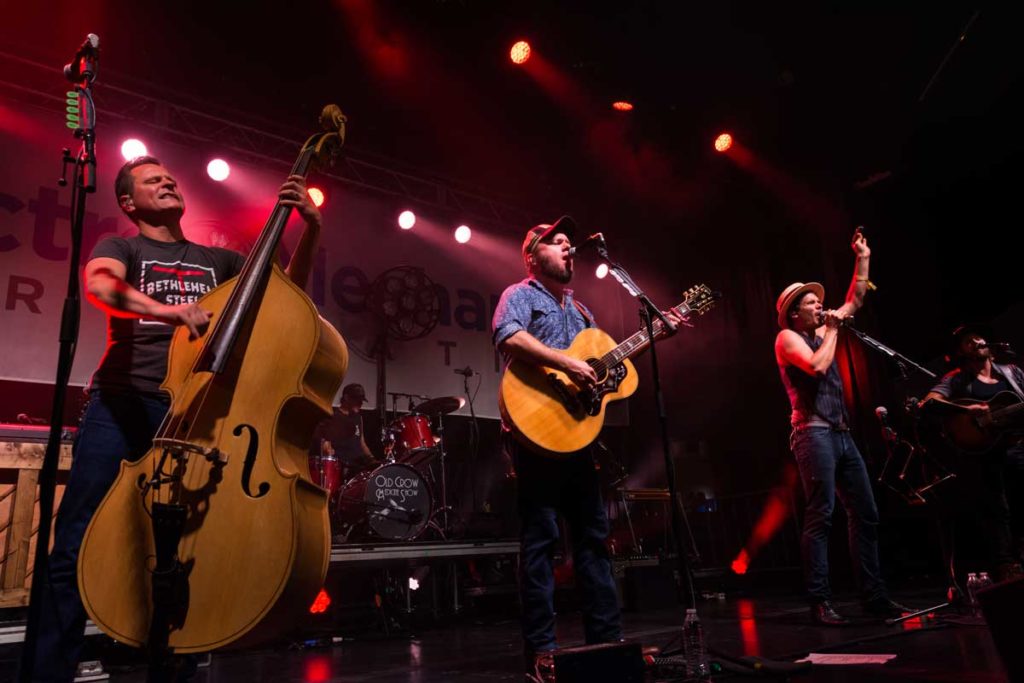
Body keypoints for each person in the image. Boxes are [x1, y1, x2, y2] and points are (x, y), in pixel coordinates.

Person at [30, 155, 325, 682]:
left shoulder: (218, 260)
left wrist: (311, 228)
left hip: (195, 411)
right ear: (128, 202)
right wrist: (171, 312)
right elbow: (100, 286)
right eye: (151, 179)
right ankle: (50, 671)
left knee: (188, 545)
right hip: (123, 402)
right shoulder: (123, 246)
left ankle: (178, 665)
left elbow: (287, 298)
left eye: (169, 175)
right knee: (75, 541)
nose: (167, 179)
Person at [492, 216, 680, 682]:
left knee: (594, 542)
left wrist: (652, 336)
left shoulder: (582, 314)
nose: (568, 249)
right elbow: (508, 337)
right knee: (540, 542)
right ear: (532, 255)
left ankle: (608, 641)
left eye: (569, 244)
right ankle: (542, 650)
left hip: (576, 437)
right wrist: (567, 363)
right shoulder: (519, 295)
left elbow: (604, 374)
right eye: (556, 243)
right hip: (535, 430)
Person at [774, 229, 906, 625]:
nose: (821, 306)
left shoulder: (823, 330)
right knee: (821, 514)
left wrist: (862, 257)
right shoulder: (787, 338)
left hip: (842, 434)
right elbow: (817, 367)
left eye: (820, 301)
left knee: (865, 513)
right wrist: (831, 329)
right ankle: (819, 600)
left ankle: (875, 596)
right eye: (812, 303)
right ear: (796, 312)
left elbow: (856, 298)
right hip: (812, 433)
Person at [919, 325, 1024, 582]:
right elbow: (929, 402)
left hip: (1019, 447)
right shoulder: (957, 378)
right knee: (998, 509)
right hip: (987, 454)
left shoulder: (1011, 372)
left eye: (978, 337)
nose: (976, 341)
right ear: (961, 351)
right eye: (968, 341)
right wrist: (966, 410)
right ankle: (1006, 564)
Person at [309, 382, 378, 484]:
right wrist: (327, 449)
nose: (360, 404)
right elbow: (326, 443)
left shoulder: (359, 418)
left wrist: (373, 460)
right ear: (346, 398)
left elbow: (362, 442)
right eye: (357, 400)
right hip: (344, 467)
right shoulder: (333, 417)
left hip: (360, 467)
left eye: (361, 401)